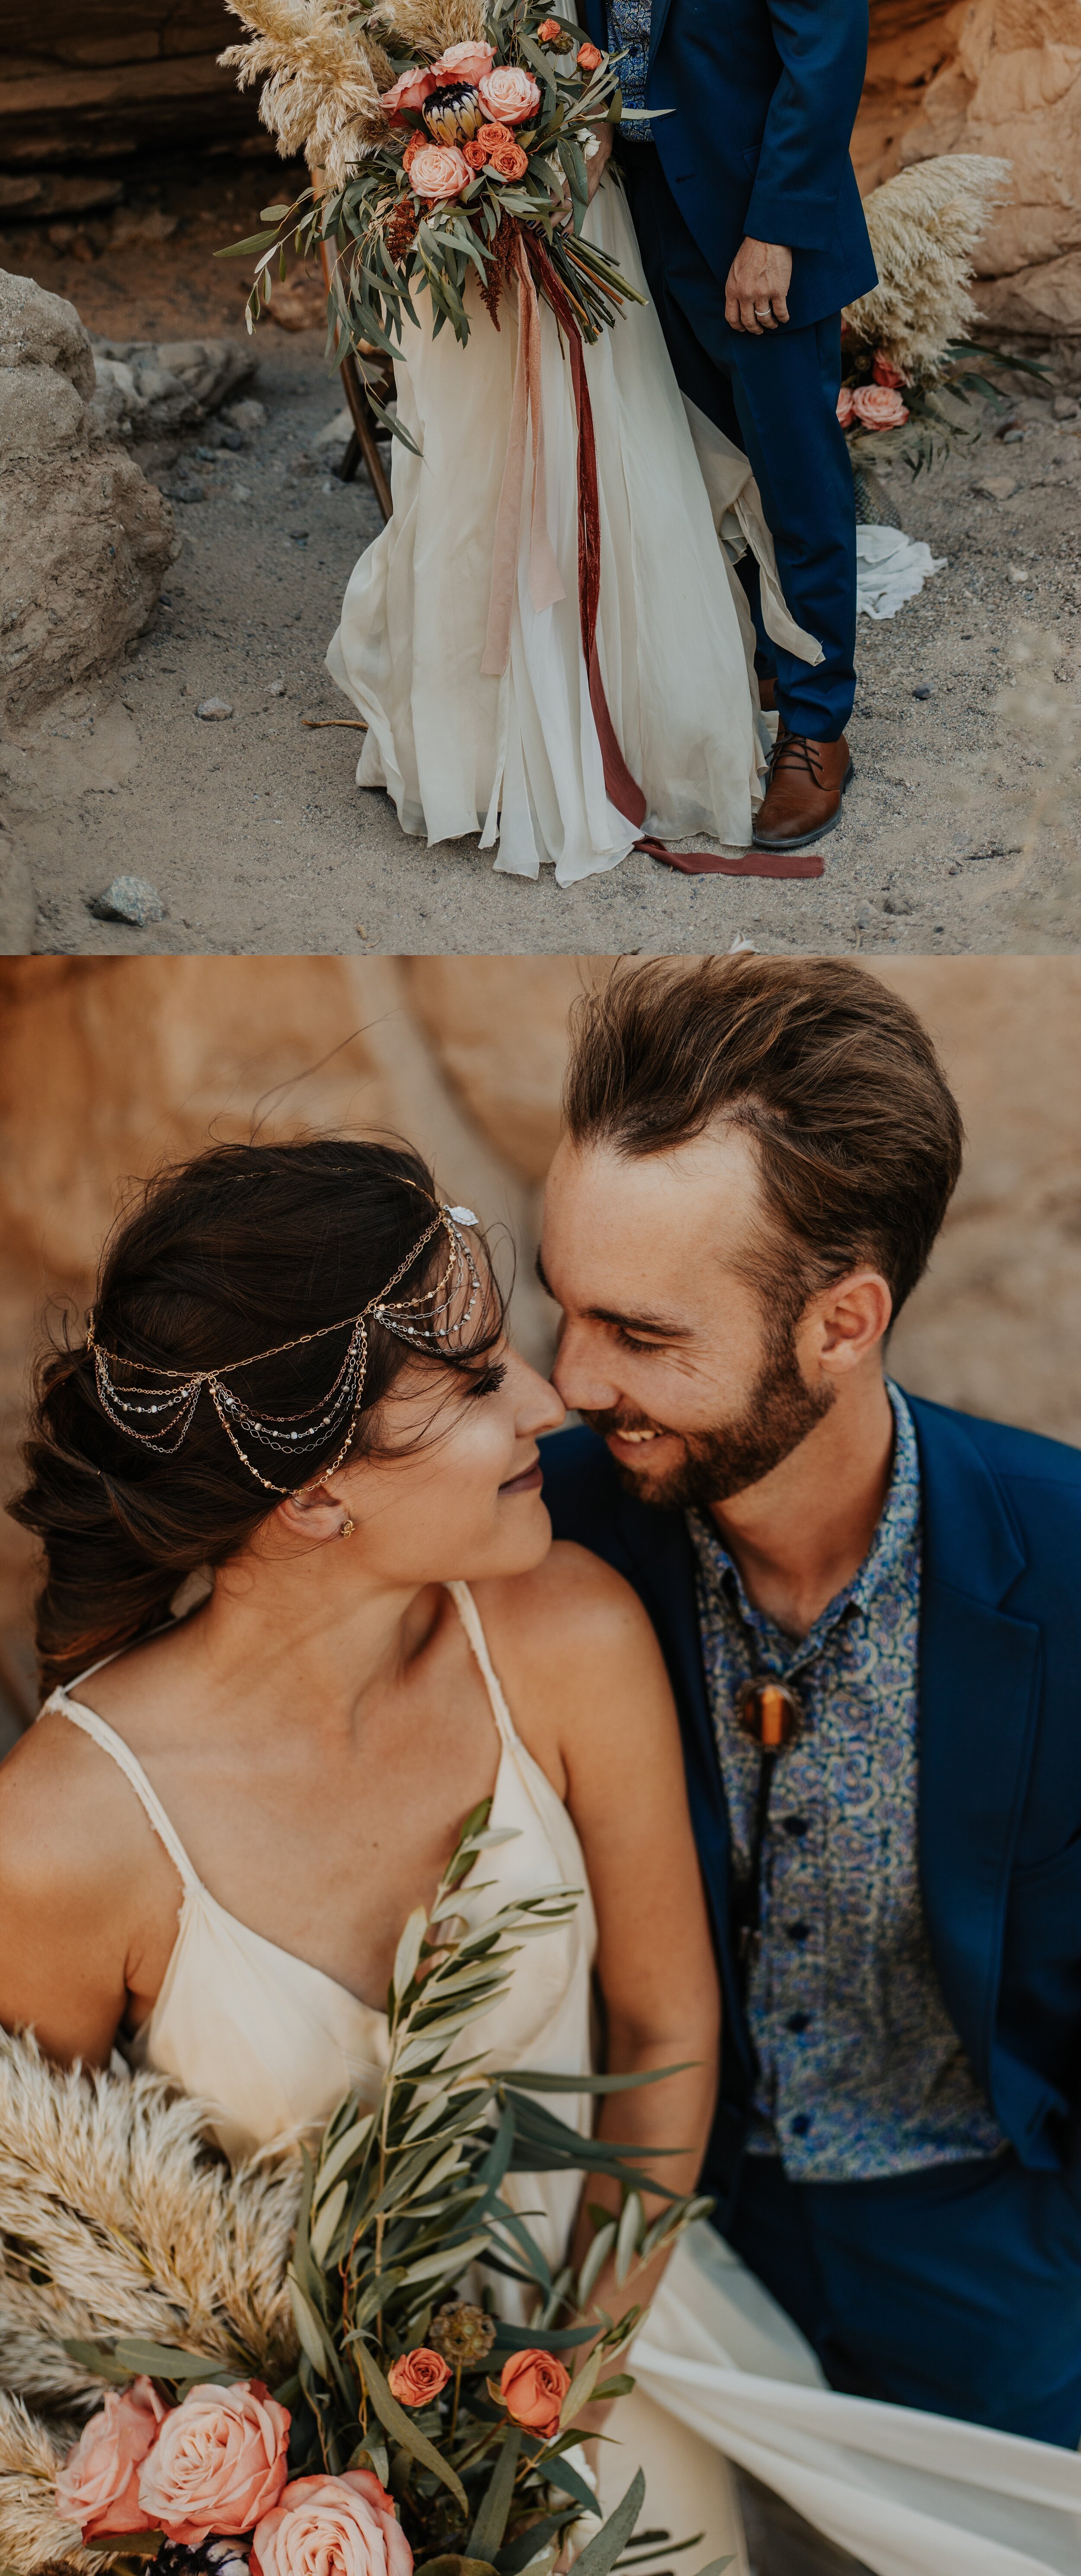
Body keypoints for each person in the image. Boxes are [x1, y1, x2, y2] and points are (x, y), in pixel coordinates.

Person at [0, 1134, 743, 2570]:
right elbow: (55, 2272)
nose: (548, 1403)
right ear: (315, 1493)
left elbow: (665, 2022)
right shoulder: (55, 1842)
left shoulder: (568, 1637)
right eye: (474, 1380)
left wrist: (546, 2407)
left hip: (622, 2381)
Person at [539, 953, 1081, 2562]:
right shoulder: (539, 1531)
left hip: (996, 2261)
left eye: (638, 1332)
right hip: (651, 2254)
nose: (571, 1381)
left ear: (842, 1321)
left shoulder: (1067, 1558)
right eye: (564, 1304)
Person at [307, 0, 817, 886]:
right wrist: (416, 189)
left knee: (609, 453)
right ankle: (480, 750)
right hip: (443, 233)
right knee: (473, 471)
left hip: (574, 219)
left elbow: (598, 43)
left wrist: (568, 153)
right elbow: (334, 82)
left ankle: (643, 724)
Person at [547, 0, 878, 854]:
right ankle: (744, 666)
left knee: (792, 466)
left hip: (753, 231)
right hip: (638, 220)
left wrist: (776, 232)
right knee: (698, 461)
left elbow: (820, 55)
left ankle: (816, 720)